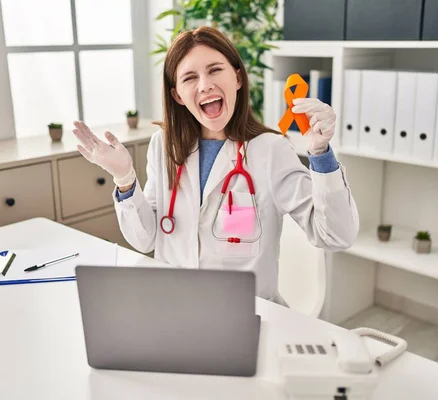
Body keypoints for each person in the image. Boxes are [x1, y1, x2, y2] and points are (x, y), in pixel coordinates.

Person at [72, 26, 359, 306]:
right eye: (189, 77)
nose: (205, 85)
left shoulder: (270, 150)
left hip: (245, 312)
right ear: (178, 96)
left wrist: (320, 153)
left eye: (214, 70)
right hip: (174, 307)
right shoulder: (164, 146)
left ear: (237, 78)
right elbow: (145, 239)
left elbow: (335, 234)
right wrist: (124, 178)